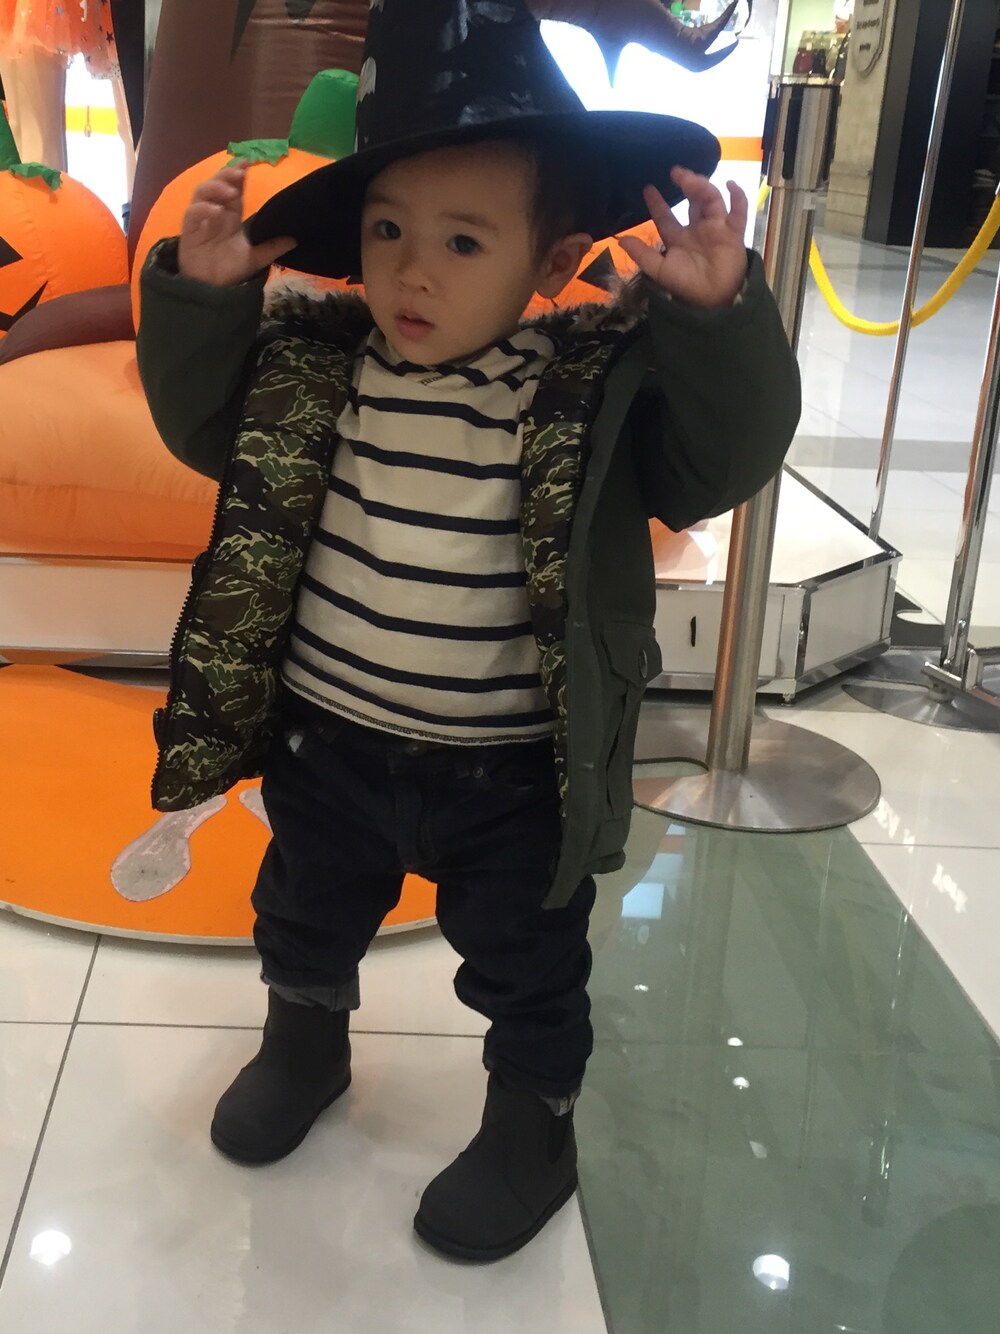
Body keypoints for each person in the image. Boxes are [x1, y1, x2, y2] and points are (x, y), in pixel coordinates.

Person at [136, 0, 800, 1264]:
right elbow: (199, 424)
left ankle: (530, 1123)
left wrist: (716, 322)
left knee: (527, 958)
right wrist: (206, 302)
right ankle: (304, 1041)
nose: (412, 271)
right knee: (304, 908)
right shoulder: (314, 370)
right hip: (327, 743)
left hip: (509, 772)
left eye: (461, 239)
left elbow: (718, 459)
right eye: (386, 229)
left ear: (551, 261)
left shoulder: (586, 394)